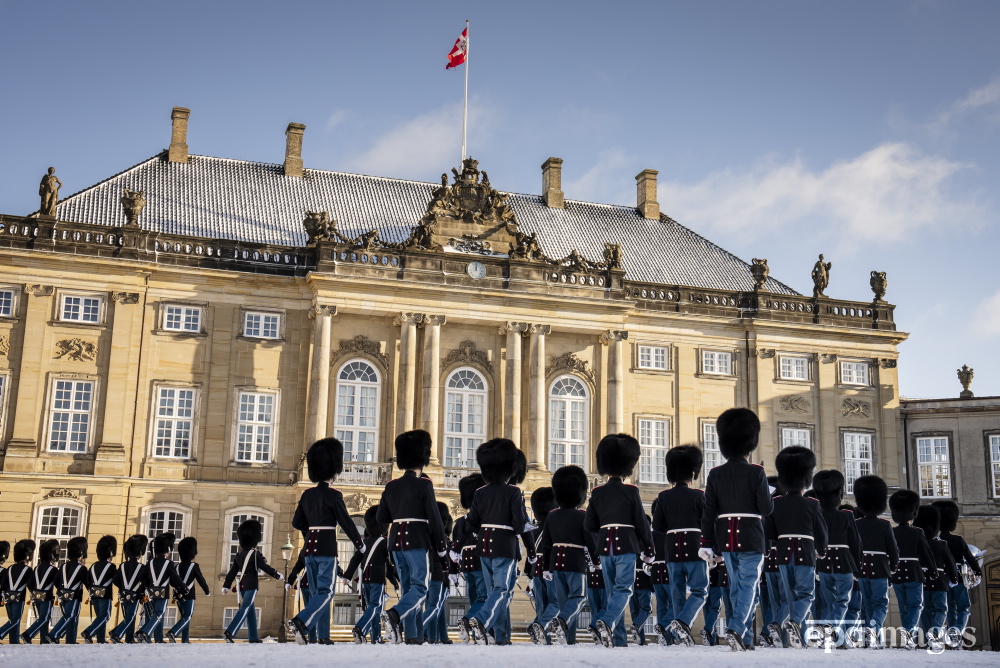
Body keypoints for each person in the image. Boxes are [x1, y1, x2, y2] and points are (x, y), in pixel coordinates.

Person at [699, 408, 773, 651]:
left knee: (737, 587)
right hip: (751, 536)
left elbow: (709, 512)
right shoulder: (757, 472)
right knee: (749, 585)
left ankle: (745, 639)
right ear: (749, 443)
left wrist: (707, 542)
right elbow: (766, 508)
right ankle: (737, 628)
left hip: (727, 538)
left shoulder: (715, 474)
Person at [289, 437, 365, 644]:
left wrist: (312, 530)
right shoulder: (334, 495)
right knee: (326, 592)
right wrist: (359, 544)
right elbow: (346, 522)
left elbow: (297, 522)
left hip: (310, 550)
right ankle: (301, 621)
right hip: (326, 548)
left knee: (317, 594)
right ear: (333, 471)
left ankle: (323, 636)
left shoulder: (307, 495)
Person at [458, 438, 533, 645]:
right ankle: (481, 620)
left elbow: (472, 522)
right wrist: (528, 527)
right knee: (501, 590)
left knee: (495, 593)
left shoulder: (480, 493)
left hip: (484, 545)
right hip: (503, 545)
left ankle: (500, 636)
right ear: (509, 469)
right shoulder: (513, 492)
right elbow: (519, 524)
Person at [584, 433, 654, 648]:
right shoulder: (631, 491)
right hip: (625, 545)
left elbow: (589, 525)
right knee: (624, 589)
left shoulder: (597, 492)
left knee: (612, 592)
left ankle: (616, 637)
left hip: (605, 546)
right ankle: (603, 621)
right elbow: (641, 523)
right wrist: (649, 548)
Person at [377, 430, 447, 645]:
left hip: (396, 540)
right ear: (422, 460)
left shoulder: (391, 486)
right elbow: (434, 518)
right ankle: (395, 614)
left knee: (408, 588)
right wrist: (441, 545)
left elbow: (382, 516)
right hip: (417, 540)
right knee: (420, 588)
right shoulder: (424, 484)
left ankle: (413, 635)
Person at [765, 446, 827, 648]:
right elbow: (821, 531)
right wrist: (821, 550)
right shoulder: (812, 504)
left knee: (790, 596)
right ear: (805, 480)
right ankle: (794, 622)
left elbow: (769, 532)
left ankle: (786, 629)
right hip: (805, 552)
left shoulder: (776, 503)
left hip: (783, 553)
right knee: (806, 593)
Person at [652, 444, 708, 647]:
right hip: (694, 546)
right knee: (700, 590)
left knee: (677, 594)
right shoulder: (699, 495)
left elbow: (657, 526)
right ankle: (683, 622)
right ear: (692, 473)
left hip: (672, 549)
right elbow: (706, 522)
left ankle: (677, 633)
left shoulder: (664, 497)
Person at [538, 465, 594, 645]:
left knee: (564, 602)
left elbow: (546, 544)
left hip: (556, 563)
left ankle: (569, 638)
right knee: (578, 597)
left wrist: (546, 567)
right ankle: (561, 621)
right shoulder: (581, 516)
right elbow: (590, 541)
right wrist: (596, 561)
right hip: (575, 562)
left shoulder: (552, 516)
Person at [812, 470, 862, 649]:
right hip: (844, 563)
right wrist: (857, 567)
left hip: (824, 563)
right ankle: (831, 629)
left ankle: (835, 638)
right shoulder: (847, 515)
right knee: (842, 601)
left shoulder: (817, 515)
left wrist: (816, 567)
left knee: (829, 602)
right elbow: (855, 543)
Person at [343, 505, 399, 644]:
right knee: (375, 606)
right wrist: (399, 577)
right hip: (377, 579)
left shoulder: (364, 542)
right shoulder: (384, 542)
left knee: (374, 609)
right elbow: (391, 564)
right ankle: (360, 628)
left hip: (365, 580)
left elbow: (355, 559)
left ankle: (376, 637)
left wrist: (347, 576)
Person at [853, 476, 898, 649]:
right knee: (880, 604)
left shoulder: (856, 524)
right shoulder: (885, 525)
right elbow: (893, 551)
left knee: (867, 604)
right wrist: (892, 568)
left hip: (862, 568)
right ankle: (872, 630)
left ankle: (869, 638)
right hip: (880, 569)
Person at [889, 489, 936, 650]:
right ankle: (909, 634)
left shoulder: (892, 531)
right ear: (912, 513)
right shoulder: (917, 532)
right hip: (914, 573)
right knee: (916, 605)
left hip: (897, 573)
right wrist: (933, 570)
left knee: (904, 607)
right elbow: (926, 553)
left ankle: (907, 636)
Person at [222, 519, 282, 643]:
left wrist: (226, 585)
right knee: (246, 607)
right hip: (251, 584)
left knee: (250, 610)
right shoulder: (255, 554)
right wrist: (277, 575)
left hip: (242, 586)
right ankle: (230, 632)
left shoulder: (239, 555)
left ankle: (253, 637)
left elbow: (232, 571)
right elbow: (265, 567)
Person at [932, 499, 981, 649]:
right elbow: (969, 558)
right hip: (958, 577)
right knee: (963, 608)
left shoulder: (936, 540)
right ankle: (957, 631)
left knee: (949, 608)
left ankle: (952, 637)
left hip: (941, 578)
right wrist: (978, 571)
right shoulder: (958, 540)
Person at [914, 505, 959, 652]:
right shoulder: (941, 544)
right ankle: (935, 632)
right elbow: (950, 563)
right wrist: (954, 578)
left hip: (922, 580)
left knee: (926, 610)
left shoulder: (918, 543)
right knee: (941, 609)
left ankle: (928, 640)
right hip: (939, 581)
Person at [453, 473, 486, 642]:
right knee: (483, 597)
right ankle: (468, 621)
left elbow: (455, 546)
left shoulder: (459, 521)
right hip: (480, 560)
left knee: (473, 599)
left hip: (466, 563)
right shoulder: (482, 519)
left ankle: (475, 633)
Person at [137, 533, 187, 643]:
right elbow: (175, 578)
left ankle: (158, 638)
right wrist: (183, 587)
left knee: (156, 614)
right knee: (159, 613)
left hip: (151, 591)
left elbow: (141, 577)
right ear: (168, 550)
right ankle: (144, 632)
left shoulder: (150, 562)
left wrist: (149, 585)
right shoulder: (169, 563)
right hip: (163, 592)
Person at [527, 486, 558, 645]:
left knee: (542, 604)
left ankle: (542, 637)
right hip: (550, 567)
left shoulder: (533, 528)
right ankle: (538, 625)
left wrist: (528, 576)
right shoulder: (553, 525)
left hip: (535, 569)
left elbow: (529, 556)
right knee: (556, 602)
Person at [168, 537, 210, 643]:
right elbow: (201, 580)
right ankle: (173, 632)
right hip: (189, 595)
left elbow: (172, 581)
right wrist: (207, 591)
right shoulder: (194, 566)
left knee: (184, 617)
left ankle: (185, 639)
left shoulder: (176, 566)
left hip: (178, 595)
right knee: (187, 616)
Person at [47, 536, 89, 643]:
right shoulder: (82, 568)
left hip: (63, 594)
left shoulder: (63, 566)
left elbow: (56, 581)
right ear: (81, 552)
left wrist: (62, 590)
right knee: (70, 616)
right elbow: (88, 583)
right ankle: (54, 634)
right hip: (75, 595)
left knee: (72, 618)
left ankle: (71, 640)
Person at [761, 476, 786, 647]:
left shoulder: (765, 509)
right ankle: (773, 634)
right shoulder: (785, 507)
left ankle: (768, 632)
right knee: (785, 600)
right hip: (783, 557)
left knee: (772, 601)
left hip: (768, 560)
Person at [110, 536, 148, 643]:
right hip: (134, 595)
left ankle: (129, 638)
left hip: (123, 594)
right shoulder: (142, 567)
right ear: (140, 553)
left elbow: (115, 580)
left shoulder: (122, 565)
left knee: (128, 616)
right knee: (131, 617)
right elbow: (144, 582)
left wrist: (123, 588)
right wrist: (142, 594)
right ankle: (116, 633)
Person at [22, 538, 60, 643]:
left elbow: (30, 584)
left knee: (42, 619)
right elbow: (57, 584)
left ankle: (44, 640)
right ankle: (28, 634)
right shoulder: (53, 569)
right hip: (46, 596)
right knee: (44, 618)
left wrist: (35, 592)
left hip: (36, 596)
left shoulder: (37, 568)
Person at [81, 536, 117, 643]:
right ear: (110, 552)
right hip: (105, 595)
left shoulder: (93, 566)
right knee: (105, 616)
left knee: (100, 617)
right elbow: (116, 580)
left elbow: (88, 580)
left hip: (94, 594)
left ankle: (101, 639)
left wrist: (91, 591)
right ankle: (89, 631)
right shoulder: (111, 566)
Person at [0, 540, 35, 644]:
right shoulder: (27, 569)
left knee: (12, 619)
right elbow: (31, 585)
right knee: (16, 619)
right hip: (18, 597)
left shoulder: (9, 568)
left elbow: (3, 584)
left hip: (7, 596)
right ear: (28, 556)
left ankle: (14, 641)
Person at [648, 499, 673, 645]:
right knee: (675, 604)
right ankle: (665, 628)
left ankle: (665, 636)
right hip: (669, 571)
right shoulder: (670, 532)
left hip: (656, 572)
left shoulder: (651, 533)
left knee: (662, 605)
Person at [627, 516, 654, 646]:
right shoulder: (648, 540)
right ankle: (637, 628)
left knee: (635, 610)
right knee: (646, 609)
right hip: (643, 579)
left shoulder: (630, 539)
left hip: (630, 580)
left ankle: (640, 639)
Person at [702, 557, 731, 646]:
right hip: (714, 581)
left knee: (709, 609)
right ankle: (709, 633)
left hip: (709, 581)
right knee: (713, 608)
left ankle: (710, 636)